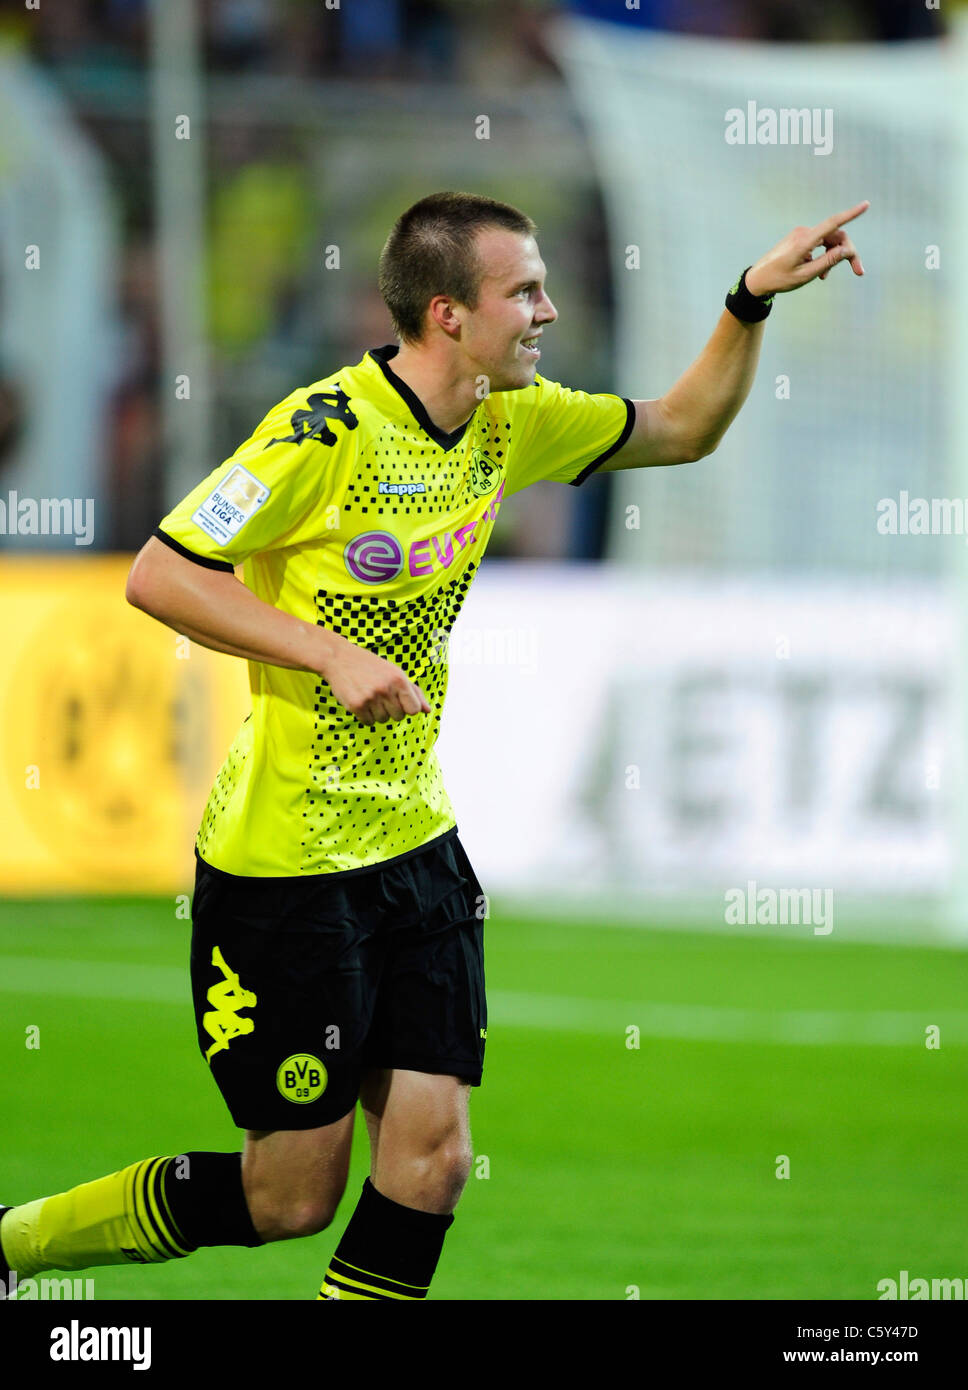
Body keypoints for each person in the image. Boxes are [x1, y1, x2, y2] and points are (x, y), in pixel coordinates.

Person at [0, 189, 866, 1300]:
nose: (547, 311)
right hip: (288, 870)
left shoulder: (513, 418)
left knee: (435, 1158)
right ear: (448, 314)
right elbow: (161, 571)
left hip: (415, 847)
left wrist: (745, 302)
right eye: (525, 292)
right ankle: (18, 1245)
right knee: (288, 1197)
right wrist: (327, 652)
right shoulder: (324, 432)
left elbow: (680, 427)